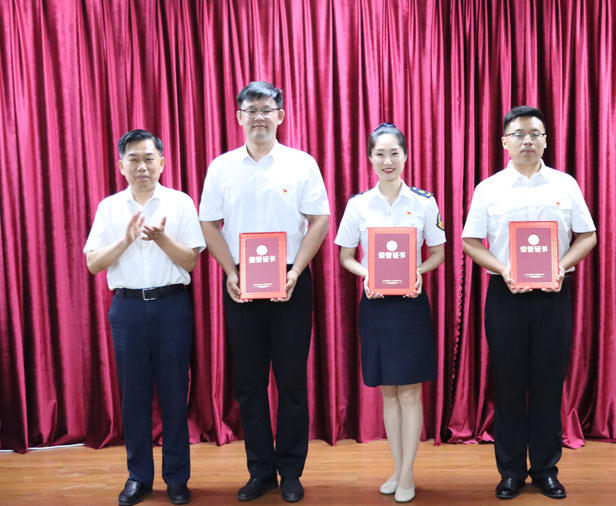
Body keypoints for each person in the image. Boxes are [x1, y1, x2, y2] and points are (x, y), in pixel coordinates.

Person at [199, 81, 330, 503]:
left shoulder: (301, 164)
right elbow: (208, 223)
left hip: (291, 281)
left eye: (266, 109)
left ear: (280, 116)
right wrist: (229, 271)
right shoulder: (222, 167)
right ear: (239, 117)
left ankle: (291, 471)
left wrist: (297, 271)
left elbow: (320, 219)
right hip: (240, 284)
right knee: (249, 384)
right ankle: (260, 471)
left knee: (291, 382)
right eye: (251, 109)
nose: (259, 116)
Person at [462, 106, 597, 500]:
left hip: (554, 297)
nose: (527, 141)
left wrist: (561, 266)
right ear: (505, 142)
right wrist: (503, 269)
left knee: (548, 385)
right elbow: (471, 242)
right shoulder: (488, 188)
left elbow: (587, 236)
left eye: (535, 134)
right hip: (505, 297)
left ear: (545, 141)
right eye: (519, 134)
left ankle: (545, 470)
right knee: (508, 386)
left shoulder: (565, 185)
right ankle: (510, 472)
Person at [84, 129, 205, 506]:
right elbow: (93, 264)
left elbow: (191, 261)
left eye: (149, 158)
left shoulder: (180, 202)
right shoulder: (109, 208)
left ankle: (177, 479)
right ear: (121, 165)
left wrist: (161, 238)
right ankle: (138, 477)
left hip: (171, 307)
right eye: (133, 159)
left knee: (174, 395)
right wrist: (126, 240)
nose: (142, 166)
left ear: (162, 163)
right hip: (128, 310)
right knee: (134, 398)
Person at [334, 123, 446, 503]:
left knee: (410, 393)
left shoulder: (424, 202)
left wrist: (419, 271)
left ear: (405, 156)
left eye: (394, 153)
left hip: (411, 305)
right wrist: (367, 274)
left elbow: (438, 252)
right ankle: (397, 470)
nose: (387, 161)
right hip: (376, 305)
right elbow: (346, 256)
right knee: (389, 394)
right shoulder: (358, 205)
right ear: (370, 158)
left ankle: (408, 475)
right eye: (380, 154)